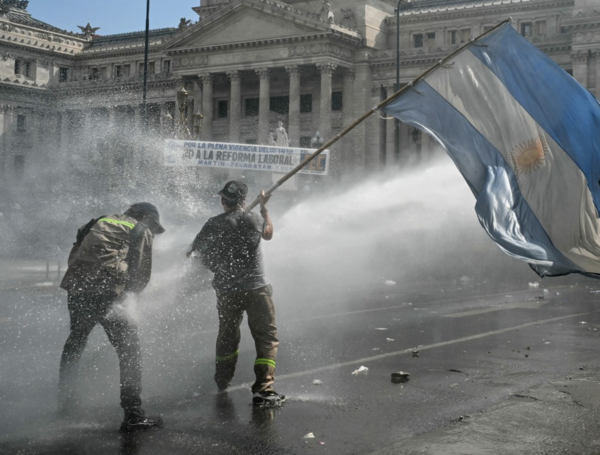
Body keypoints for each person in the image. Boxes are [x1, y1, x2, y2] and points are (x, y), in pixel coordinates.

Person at [58, 202, 165, 432]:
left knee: (76, 341)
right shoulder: (140, 228)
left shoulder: (98, 221)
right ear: (144, 216)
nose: (152, 230)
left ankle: (65, 404)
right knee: (129, 349)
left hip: (77, 286)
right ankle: (133, 413)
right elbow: (140, 270)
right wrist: (130, 297)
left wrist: (85, 280)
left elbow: (75, 254)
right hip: (108, 290)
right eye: (153, 224)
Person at [189, 181, 284, 407]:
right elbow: (269, 234)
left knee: (227, 335)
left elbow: (195, 254)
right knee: (266, 337)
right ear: (243, 200)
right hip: (256, 289)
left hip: (227, 291)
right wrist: (263, 208)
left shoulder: (212, 224)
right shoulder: (254, 219)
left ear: (223, 201)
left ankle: (222, 380)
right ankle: (264, 389)